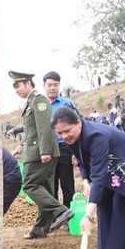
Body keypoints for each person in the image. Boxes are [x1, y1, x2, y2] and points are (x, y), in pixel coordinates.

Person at [51, 107, 125, 249]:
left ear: (78, 122)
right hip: (107, 162)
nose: (64, 136)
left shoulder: (96, 136)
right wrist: (85, 182)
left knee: (122, 201)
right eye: (59, 133)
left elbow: (98, 176)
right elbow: (82, 160)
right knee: (103, 201)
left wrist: (87, 216)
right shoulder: (71, 138)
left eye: (67, 131)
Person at [8, 71, 73, 239]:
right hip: (35, 151)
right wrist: (21, 146)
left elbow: (45, 128)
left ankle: (61, 211)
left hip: (39, 154)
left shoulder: (39, 100)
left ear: (28, 84)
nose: (17, 90)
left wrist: (44, 151)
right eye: (14, 88)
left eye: (18, 86)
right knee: (47, 190)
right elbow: (32, 130)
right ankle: (40, 229)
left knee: (29, 185)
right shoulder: (31, 102)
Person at [43, 71, 78, 208]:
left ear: (59, 86)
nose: (52, 88)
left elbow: (77, 127)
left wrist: (76, 152)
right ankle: (54, 216)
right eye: (49, 85)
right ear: (44, 86)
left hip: (65, 147)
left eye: (55, 85)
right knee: (50, 185)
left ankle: (68, 215)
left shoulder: (68, 104)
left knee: (67, 183)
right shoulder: (40, 105)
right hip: (47, 150)